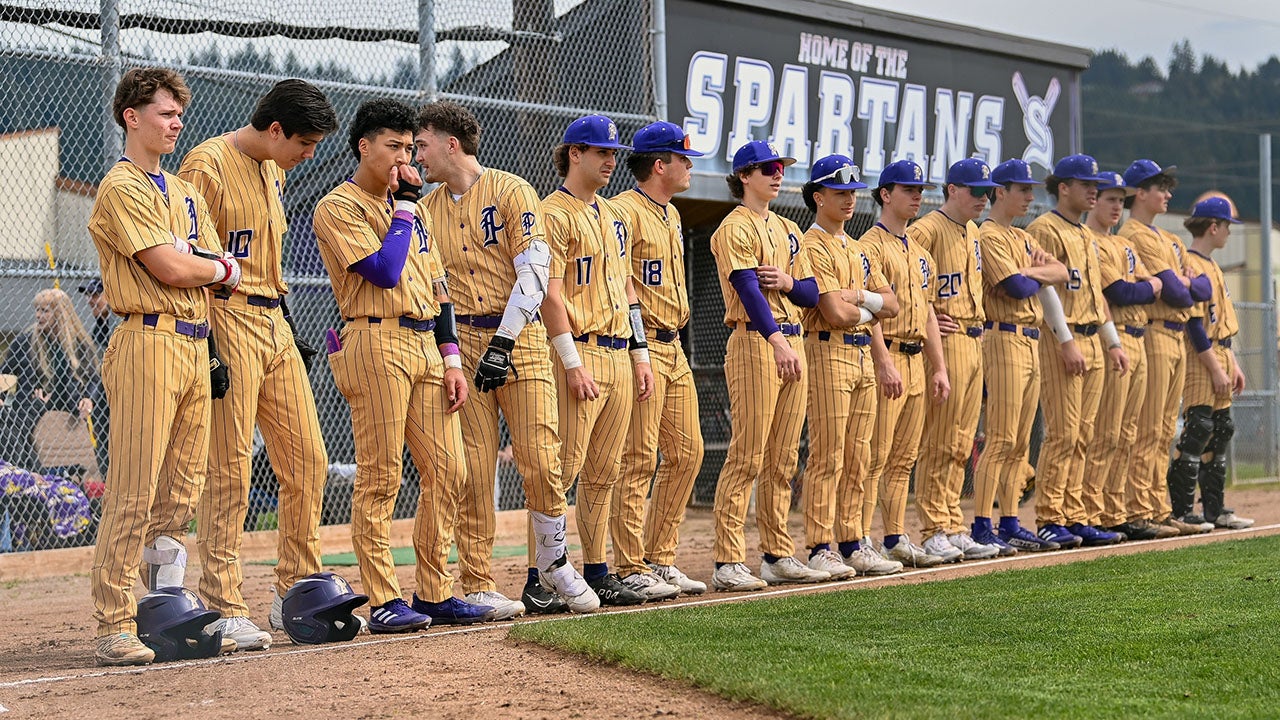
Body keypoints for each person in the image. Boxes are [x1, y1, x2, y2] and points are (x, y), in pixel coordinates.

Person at [313, 98, 493, 633]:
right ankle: (385, 599)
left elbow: (440, 292)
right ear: (363, 146)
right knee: (381, 475)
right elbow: (387, 271)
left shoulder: (410, 207)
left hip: (425, 348)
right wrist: (408, 206)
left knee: (450, 470)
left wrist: (454, 359)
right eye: (392, 146)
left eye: (409, 147)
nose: (402, 158)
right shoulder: (339, 206)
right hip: (375, 343)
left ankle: (435, 592)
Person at [87, 67, 243, 666]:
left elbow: (205, 266)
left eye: (179, 113)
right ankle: (113, 621)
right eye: (164, 112)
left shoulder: (186, 193)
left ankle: (165, 609)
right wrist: (215, 267)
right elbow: (175, 269)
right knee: (135, 488)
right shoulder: (121, 186)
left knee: (180, 492)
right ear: (132, 116)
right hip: (145, 339)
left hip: (195, 342)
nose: (176, 122)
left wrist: (209, 267)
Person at [178, 78, 338, 650]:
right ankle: (222, 602)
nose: (308, 155)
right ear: (275, 129)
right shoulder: (207, 166)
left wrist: (290, 327)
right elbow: (193, 260)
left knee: (309, 461)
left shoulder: (274, 168)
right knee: (229, 465)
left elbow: (267, 259)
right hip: (226, 317)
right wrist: (211, 348)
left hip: (274, 319)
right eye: (305, 143)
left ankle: (295, 590)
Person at [413, 100, 566, 618]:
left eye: (422, 144)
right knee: (474, 470)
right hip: (464, 346)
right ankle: (477, 579)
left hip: (516, 338)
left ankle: (552, 567)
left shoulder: (511, 189)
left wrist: (503, 342)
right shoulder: (427, 209)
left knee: (542, 460)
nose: (417, 154)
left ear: (450, 144)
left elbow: (536, 273)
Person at [538, 114, 654, 607]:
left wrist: (642, 351)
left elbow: (629, 290)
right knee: (561, 471)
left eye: (613, 153)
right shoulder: (552, 212)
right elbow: (549, 294)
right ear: (573, 153)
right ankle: (540, 575)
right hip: (578, 349)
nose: (611, 160)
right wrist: (570, 361)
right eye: (600, 151)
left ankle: (596, 569)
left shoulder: (612, 215)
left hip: (618, 352)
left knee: (604, 470)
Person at [709, 140, 828, 591]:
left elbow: (813, 294)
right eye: (767, 168)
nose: (777, 174)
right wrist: (777, 340)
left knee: (783, 457)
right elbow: (746, 288)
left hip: (791, 340)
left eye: (780, 168)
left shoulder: (786, 227)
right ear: (744, 176)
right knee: (748, 454)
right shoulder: (733, 227)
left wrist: (790, 281)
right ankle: (727, 560)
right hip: (757, 342)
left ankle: (777, 553)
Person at [609, 121, 706, 598]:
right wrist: (638, 348)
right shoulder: (623, 211)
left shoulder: (670, 212)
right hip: (638, 346)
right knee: (639, 456)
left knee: (688, 452)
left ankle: (659, 557)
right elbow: (618, 288)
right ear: (659, 164)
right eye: (682, 158)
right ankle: (629, 566)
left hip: (675, 347)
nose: (689, 166)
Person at [796, 154, 903, 578]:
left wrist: (860, 298)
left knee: (860, 454)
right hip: (826, 349)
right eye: (840, 192)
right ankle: (821, 546)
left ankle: (852, 540)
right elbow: (833, 313)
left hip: (860, 352)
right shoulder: (810, 244)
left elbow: (892, 304)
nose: (849, 200)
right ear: (818, 196)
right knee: (829, 453)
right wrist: (868, 305)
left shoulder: (856, 248)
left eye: (853, 192)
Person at [1025, 154, 1128, 549]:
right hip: (1061, 339)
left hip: (1092, 338)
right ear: (1062, 187)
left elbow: (1097, 294)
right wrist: (1066, 340)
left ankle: (1076, 513)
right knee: (1063, 433)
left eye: (1094, 186)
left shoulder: (1086, 234)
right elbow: (1045, 288)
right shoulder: (1044, 229)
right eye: (1085, 184)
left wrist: (1113, 341)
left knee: (1084, 434)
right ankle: (1051, 516)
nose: (1093, 191)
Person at [969, 159, 1069, 553]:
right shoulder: (989, 234)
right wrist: (1034, 273)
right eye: (1022, 190)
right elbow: (1013, 285)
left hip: (1030, 338)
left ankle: (1009, 520)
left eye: (1030, 190)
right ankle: (982, 522)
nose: (1030, 197)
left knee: (1020, 441)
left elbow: (1061, 272)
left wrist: (1035, 271)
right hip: (1003, 335)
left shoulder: (1023, 238)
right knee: (1000, 436)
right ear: (1000, 191)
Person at [910, 158, 1002, 562]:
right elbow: (904, 279)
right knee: (940, 438)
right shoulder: (926, 229)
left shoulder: (974, 231)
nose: (983, 199)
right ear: (951, 189)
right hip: (944, 342)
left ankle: (951, 522)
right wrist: (926, 315)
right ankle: (933, 528)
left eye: (987, 192)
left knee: (962, 441)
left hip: (974, 337)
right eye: (975, 191)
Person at [859, 159, 950, 568]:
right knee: (874, 455)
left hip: (916, 357)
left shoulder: (920, 251)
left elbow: (929, 313)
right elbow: (869, 313)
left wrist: (940, 368)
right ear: (885, 194)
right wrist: (882, 361)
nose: (917, 196)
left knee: (903, 457)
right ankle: (859, 539)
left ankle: (894, 536)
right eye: (909, 189)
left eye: (920, 190)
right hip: (889, 354)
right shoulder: (869, 245)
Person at [1118, 159, 1212, 536]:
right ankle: (1140, 508)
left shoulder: (1169, 238)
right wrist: (1184, 283)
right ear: (1140, 192)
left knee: (1161, 429)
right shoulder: (1135, 233)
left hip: (1175, 336)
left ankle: (1158, 507)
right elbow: (1175, 291)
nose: (1168, 194)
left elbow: (1201, 288)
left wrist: (1186, 284)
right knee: (1148, 427)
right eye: (1161, 188)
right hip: (1155, 331)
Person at [1081, 171, 1164, 541]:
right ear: (1093, 200)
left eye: (1120, 199)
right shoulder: (1094, 243)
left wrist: (1143, 287)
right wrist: (1144, 287)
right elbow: (1120, 293)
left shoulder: (1124, 246)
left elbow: (1155, 288)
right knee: (1106, 432)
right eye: (1109, 198)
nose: (1117, 206)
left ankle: (1116, 511)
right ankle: (1093, 511)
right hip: (1111, 337)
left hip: (1139, 337)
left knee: (1127, 433)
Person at [1176, 197, 1253, 529]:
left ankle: (1215, 509)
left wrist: (1232, 362)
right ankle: (1180, 510)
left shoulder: (1213, 267)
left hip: (1221, 351)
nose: (1228, 233)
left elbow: (1222, 322)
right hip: (1201, 357)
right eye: (1226, 227)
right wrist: (1215, 367)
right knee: (1198, 431)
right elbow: (1194, 325)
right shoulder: (1192, 264)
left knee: (1221, 431)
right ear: (1213, 227)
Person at [0, 288, 100, 477]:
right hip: (30, 415)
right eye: (37, 310)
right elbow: (4, 374)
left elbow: (94, 378)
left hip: (68, 416)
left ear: (61, 314)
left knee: (70, 471)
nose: (38, 315)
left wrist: (88, 399)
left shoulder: (79, 343)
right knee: (32, 468)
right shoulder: (24, 342)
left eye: (45, 310)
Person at [79, 278, 113, 348]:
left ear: (108, 295)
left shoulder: (120, 322)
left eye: (95, 295)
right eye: (88, 296)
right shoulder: (98, 327)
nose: (89, 301)